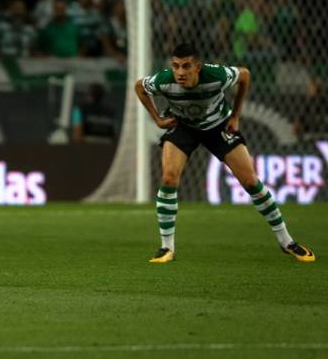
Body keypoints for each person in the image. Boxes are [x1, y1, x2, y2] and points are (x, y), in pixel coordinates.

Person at [134, 43, 315, 264]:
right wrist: (157, 119)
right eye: (176, 66)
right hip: (183, 127)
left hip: (218, 126)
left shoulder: (216, 75)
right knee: (169, 178)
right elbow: (139, 87)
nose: (180, 72)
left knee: (250, 181)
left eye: (186, 66)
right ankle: (166, 248)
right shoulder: (163, 80)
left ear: (197, 67)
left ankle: (287, 242)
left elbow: (244, 75)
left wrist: (236, 115)